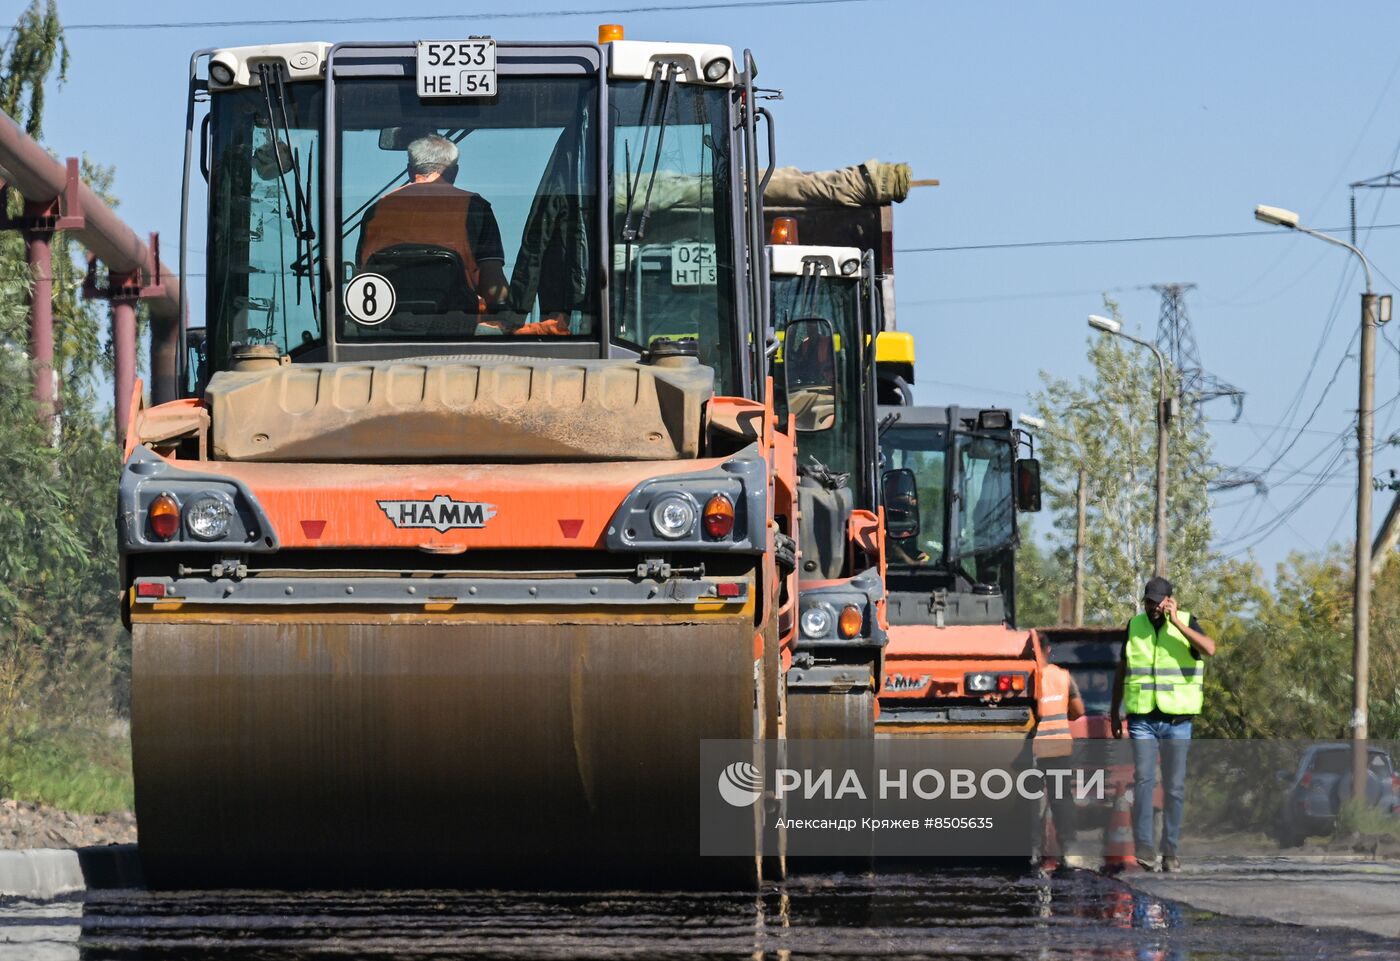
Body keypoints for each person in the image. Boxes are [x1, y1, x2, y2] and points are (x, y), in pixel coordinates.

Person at [1111, 576, 1216, 872]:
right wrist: (1113, 712)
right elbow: (1123, 670)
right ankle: (1145, 848)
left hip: (1177, 720)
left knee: (1174, 787)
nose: (1152, 607)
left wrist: (1178, 625)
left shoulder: (1186, 621)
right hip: (1142, 718)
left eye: (1158, 601)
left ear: (1170, 601)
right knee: (1143, 780)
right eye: (1148, 601)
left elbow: (1210, 649)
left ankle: (1170, 850)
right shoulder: (1135, 626)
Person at [357, 133, 510, 310]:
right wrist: (506, 313)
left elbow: (364, 276)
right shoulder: (476, 208)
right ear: (454, 171)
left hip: (385, 324)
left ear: (410, 170)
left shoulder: (376, 210)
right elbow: (492, 282)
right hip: (457, 323)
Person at [1031, 639, 1086, 873]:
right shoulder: (1063, 676)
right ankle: (1070, 851)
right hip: (1058, 746)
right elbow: (1078, 710)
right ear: (1048, 650)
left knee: (1031, 801)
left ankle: (1033, 852)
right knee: (1062, 799)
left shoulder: (1026, 677)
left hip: (1031, 748)